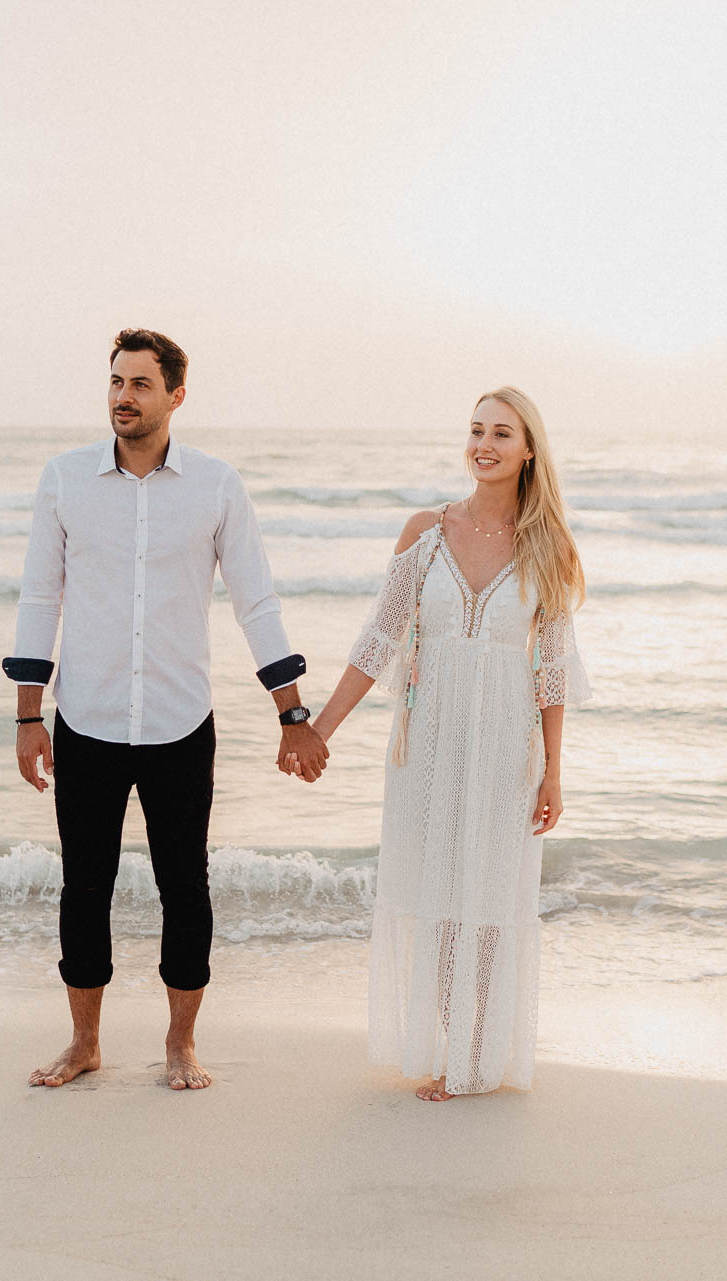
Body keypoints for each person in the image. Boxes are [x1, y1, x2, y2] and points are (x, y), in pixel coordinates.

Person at [3, 328, 328, 1092]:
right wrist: (26, 718)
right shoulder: (65, 479)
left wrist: (294, 713)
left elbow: (257, 600)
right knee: (85, 884)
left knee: (186, 886)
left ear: (175, 396)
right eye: (116, 381)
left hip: (181, 722)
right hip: (86, 718)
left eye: (141, 384)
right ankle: (85, 1042)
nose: (123, 396)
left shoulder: (215, 485)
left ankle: (181, 1044)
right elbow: (37, 598)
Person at [304, 386, 587, 1100]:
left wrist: (554, 771)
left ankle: (478, 1055)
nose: (483, 445)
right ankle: (454, 1053)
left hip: (503, 748)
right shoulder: (424, 533)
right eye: (475, 431)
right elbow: (378, 640)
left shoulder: (547, 546)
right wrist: (318, 730)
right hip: (427, 742)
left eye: (501, 433)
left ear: (528, 449)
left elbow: (550, 670)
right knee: (436, 890)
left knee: (488, 896)